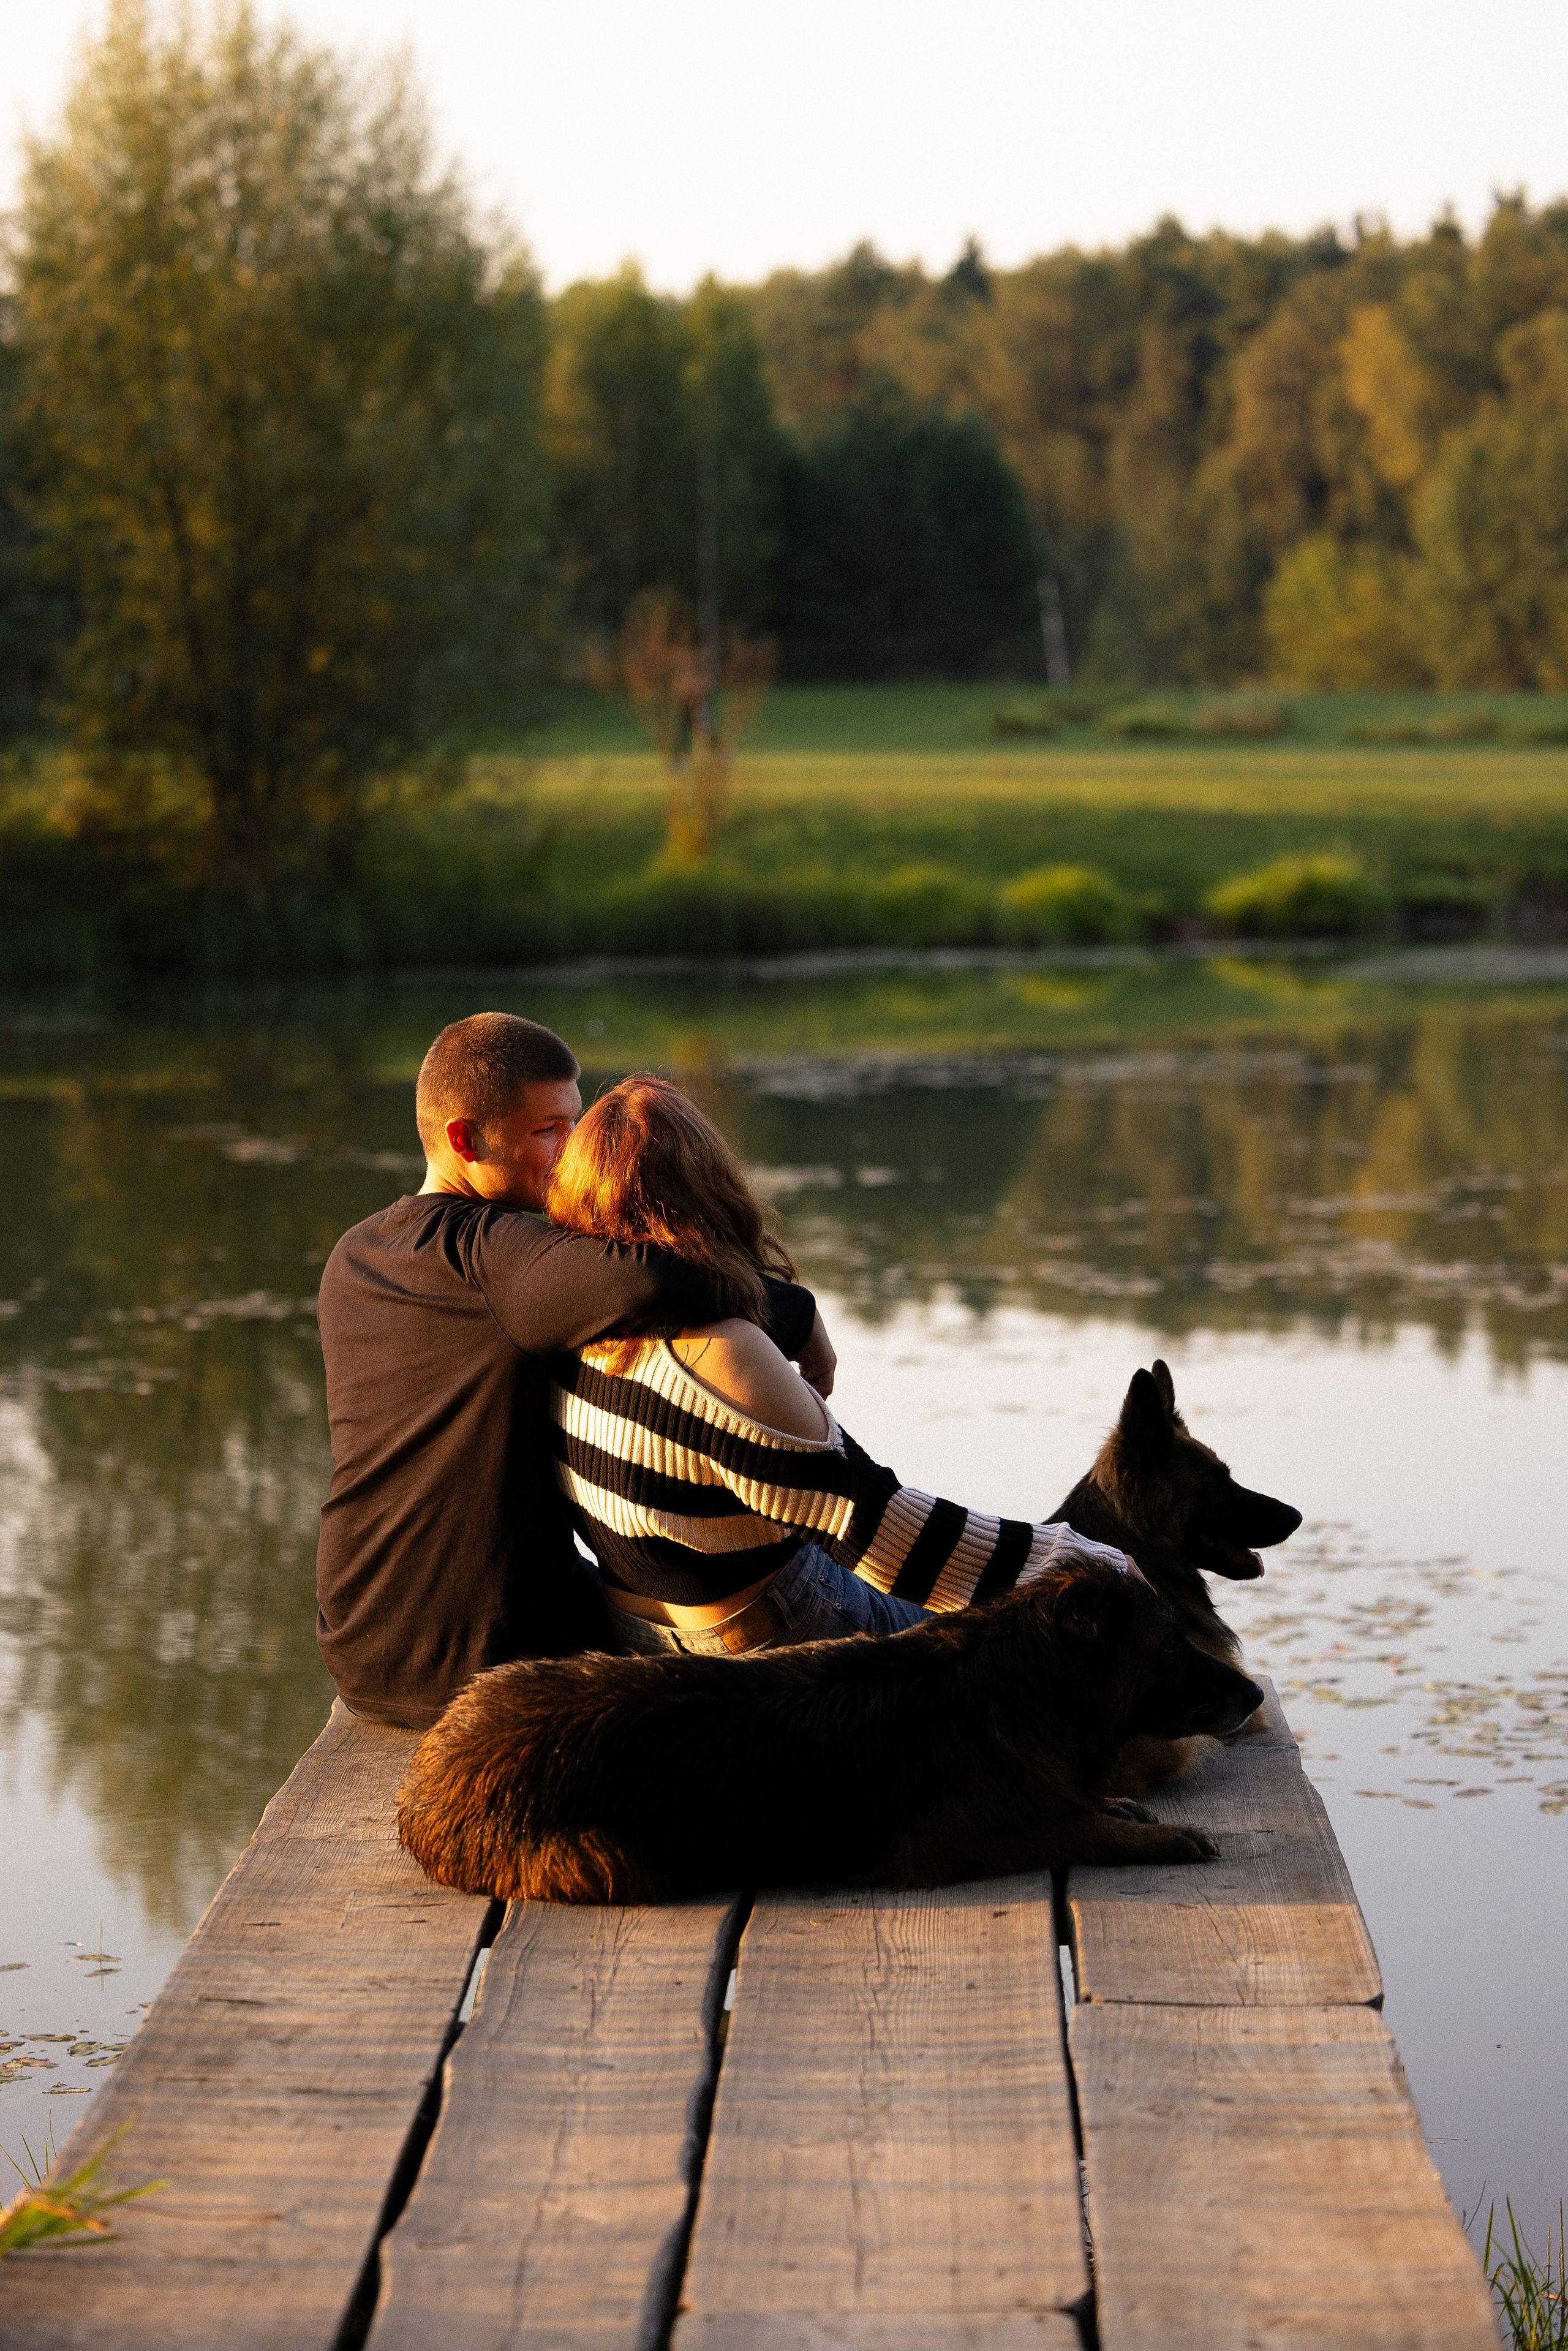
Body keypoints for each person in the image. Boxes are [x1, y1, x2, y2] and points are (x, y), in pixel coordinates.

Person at [314, 1014, 829, 1729]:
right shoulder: (501, 1254)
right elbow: (657, 1283)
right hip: (494, 1665)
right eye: (546, 1131)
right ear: (465, 1139)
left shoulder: (355, 1253)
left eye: (574, 1126)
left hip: (362, 1649)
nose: (568, 1155)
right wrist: (802, 1317)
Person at [546, 1076, 1136, 1656]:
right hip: (768, 1636)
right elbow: (891, 1537)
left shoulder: (566, 1331)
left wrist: (793, 1313)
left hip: (639, 1631)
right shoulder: (719, 1358)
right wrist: (1091, 1561)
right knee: (1018, 1644)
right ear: (713, 1190)